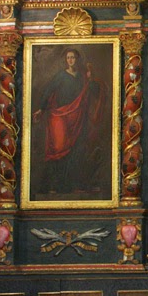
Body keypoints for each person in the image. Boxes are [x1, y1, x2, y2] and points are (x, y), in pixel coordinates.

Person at [32, 48, 107, 195]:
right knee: (59, 150)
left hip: (78, 117)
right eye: (68, 58)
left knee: (77, 150)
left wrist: (91, 81)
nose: (71, 60)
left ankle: (74, 184)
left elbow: (90, 91)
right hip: (61, 117)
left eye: (73, 57)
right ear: (66, 60)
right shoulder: (60, 76)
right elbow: (49, 91)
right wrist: (41, 109)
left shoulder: (82, 77)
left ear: (77, 59)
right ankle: (59, 186)